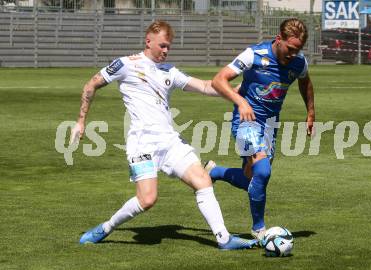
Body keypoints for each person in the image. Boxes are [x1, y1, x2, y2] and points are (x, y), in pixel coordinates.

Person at [71, 20, 257, 250]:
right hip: (142, 143)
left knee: (203, 181)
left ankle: (224, 239)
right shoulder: (126, 64)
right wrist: (81, 121)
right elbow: (91, 85)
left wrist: (242, 88)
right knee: (147, 200)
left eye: (169, 46)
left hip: (169, 141)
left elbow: (208, 87)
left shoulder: (170, 71)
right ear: (148, 41)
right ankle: (106, 227)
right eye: (162, 46)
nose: (166, 51)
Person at [205, 18, 315, 242]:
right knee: (263, 171)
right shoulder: (253, 55)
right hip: (246, 120)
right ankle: (259, 230)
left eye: (298, 50)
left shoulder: (298, 62)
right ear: (279, 39)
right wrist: (241, 102)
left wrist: (310, 112)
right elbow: (219, 80)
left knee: (252, 180)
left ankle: (213, 172)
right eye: (290, 48)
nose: (293, 54)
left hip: (270, 125)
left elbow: (305, 82)